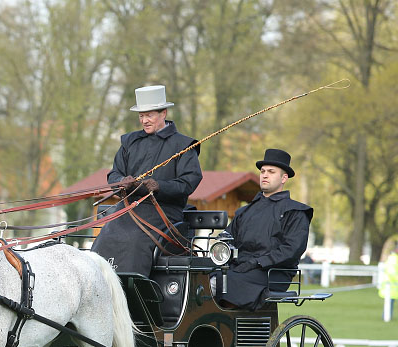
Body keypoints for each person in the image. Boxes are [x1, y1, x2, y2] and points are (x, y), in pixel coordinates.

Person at [92, 85, 203, 275]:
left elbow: (189, 182)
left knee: (134, 240)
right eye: (141, 116)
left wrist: (160, 186)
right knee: (104, 237)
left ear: (163, 113)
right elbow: (114, 174)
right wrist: (121, 182)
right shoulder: (130, 142)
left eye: (149, 115)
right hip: (128, 209)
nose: (144, 120)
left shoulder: (183, 145)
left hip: (163, 211)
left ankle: (134, 291)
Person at [215, 149, 313, 310]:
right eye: (262, 171)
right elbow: (227, 238)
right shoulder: (244, 211)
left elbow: (292, 249)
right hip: (240, 267)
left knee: (227, 281)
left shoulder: (296, 212)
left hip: (273, 272)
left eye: (271, 172)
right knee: (203, 277)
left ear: (284, 178)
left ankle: (223, 322)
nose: (265, 175)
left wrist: (258, 262)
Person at [378, 245, 398, 321]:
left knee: (389, 303)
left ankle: (387, 317)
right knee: (389, 303)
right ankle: (386, 317)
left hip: (393, 286)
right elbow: (392, 273)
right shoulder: (393, 259)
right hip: (391, 286)